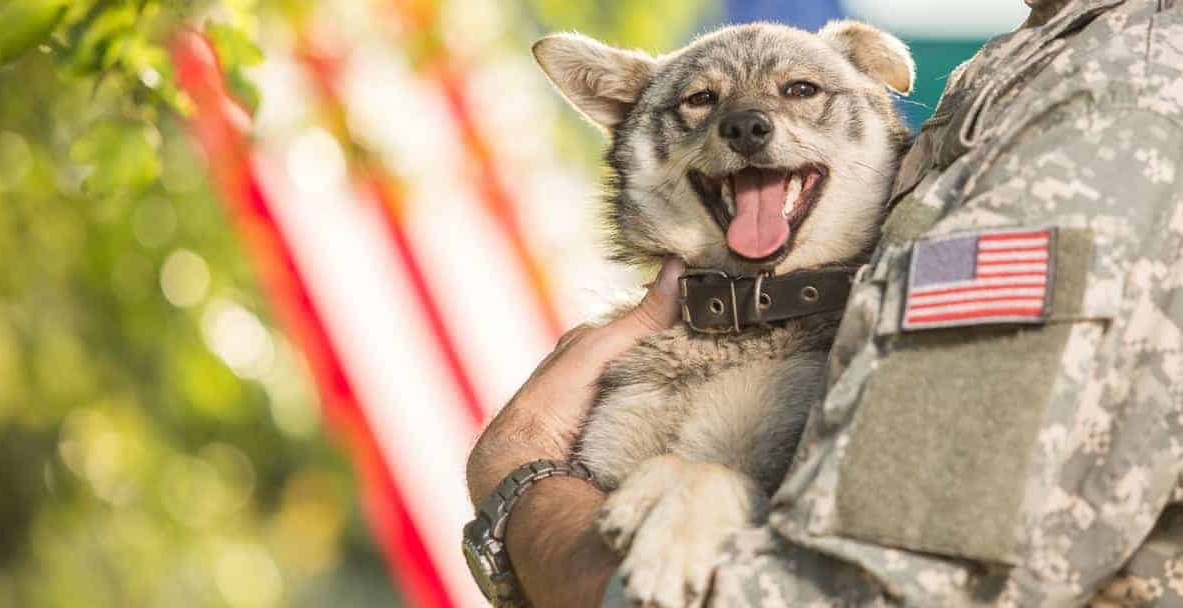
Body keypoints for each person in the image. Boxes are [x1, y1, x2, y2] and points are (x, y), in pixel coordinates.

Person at [465, 0, 1183, 604]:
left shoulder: (1117, 93)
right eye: (702, 101)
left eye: (800, 90)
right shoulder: (1040, 56)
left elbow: (855, 579)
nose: (746, 122)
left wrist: (519, 484)